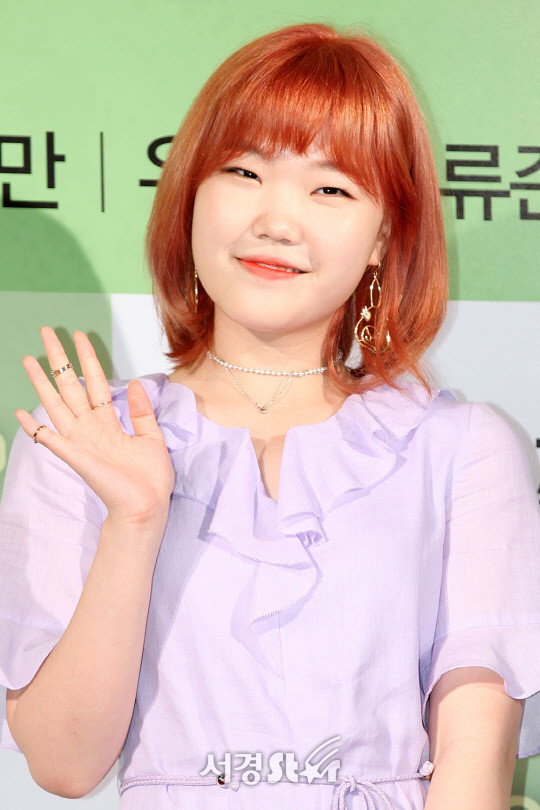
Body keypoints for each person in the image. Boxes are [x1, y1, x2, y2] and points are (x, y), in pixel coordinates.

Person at [1, 21, 539, 810]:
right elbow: (63, 764)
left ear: (385, 235)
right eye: (244, 171)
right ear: (191, 196)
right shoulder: (83, 440)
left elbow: (474, 758)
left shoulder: (460, 449)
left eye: (331, 189)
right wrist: (135, 521)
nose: (277, 222)